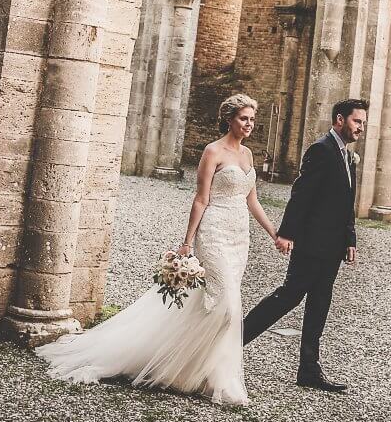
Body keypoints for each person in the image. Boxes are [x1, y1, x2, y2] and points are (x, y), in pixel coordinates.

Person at [36, 93, 283, 405]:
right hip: (214, 233)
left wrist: (274, 232)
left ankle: (194, 370)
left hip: (239, 237)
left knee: (207, 307)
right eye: (243, 118)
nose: (249, 124)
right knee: (228, 307)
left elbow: (252, 199)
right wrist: (188, 243)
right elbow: (201, 199)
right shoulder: (213, 151)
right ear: (229, 120)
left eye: (252, 119)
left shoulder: (247, 156)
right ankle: (223, 380)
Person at [242, 98, 367, 393]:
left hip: (333, 247)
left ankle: (309, 369)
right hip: (312, 243)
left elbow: (346, 203)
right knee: (287, 297)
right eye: (356, 121)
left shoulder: (348, 156)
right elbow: (302, 195)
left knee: (319, 305)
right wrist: (287, 233)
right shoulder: (321, 149)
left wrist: (350, 239)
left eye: (362, 122)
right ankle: (234, 342)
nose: (361, 127)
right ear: (340, 120)